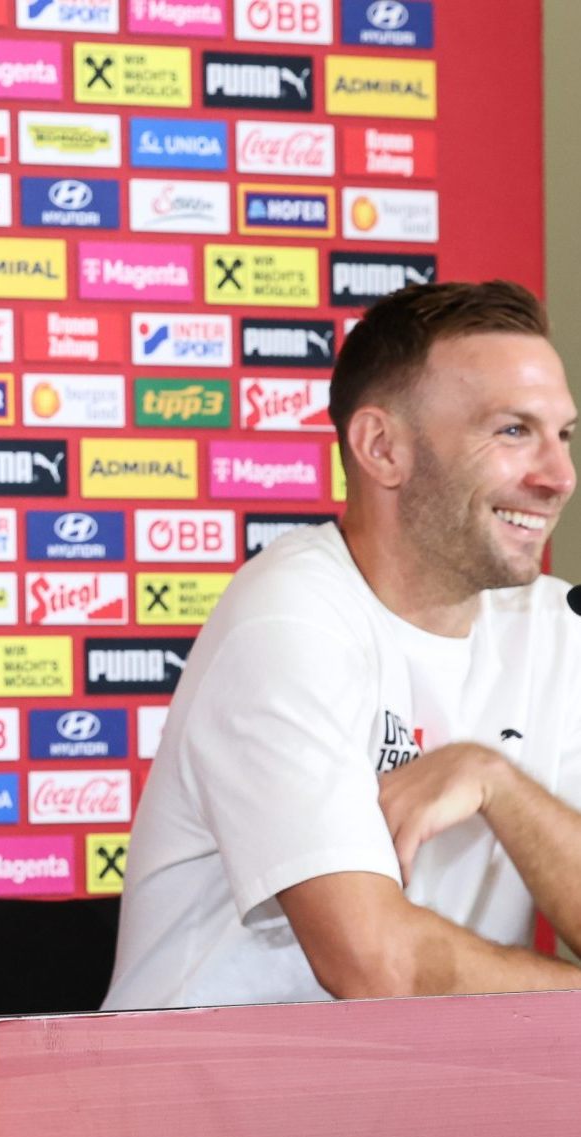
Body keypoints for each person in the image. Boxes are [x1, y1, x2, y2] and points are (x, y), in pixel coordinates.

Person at [106, 280, 581, 1009]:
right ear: (382, 448)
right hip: (210, 1111)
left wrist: (498, 781)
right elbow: (377, 967)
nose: (558, 477)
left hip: (424, 1104)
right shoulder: (289, 618)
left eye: (565, 435)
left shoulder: (556, 629)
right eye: (513, 431)